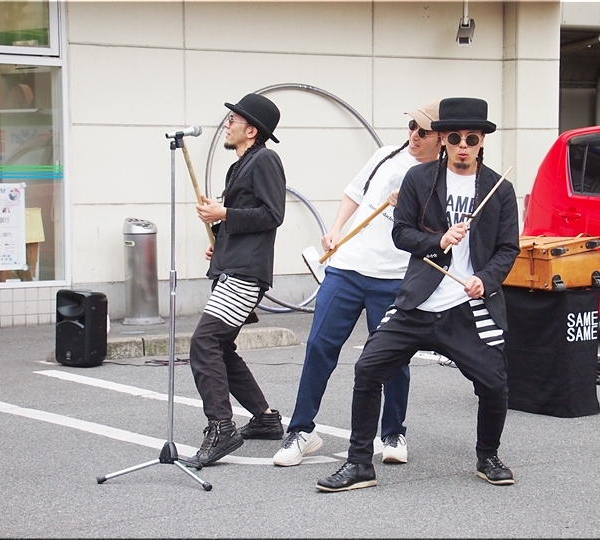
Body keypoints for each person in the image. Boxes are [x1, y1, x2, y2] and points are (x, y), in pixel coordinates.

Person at [316, 97, 520, 491]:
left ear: (482, 141)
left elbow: (508, 248)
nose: (463, 145)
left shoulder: (499, 189)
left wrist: (485, 279)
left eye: (472, 138)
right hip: (418, 301)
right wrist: (437, 240)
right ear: (443, 140)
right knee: (367, 369)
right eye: (455, 137)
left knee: (494, 384)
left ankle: (488, 457)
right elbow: (401, 233)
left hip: (468, 304)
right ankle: (359, 464)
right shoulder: (419, 179)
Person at [271, 99, 443, 467]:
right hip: (347, 267)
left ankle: (393, 432)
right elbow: (354, 192)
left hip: (395, 277)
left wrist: (408, 204)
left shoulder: (442, 177)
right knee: (319, 346)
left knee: (393, 357)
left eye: (424, 131)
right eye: (411, 126)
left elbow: (437, 232)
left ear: (442, 138)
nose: (414, 135)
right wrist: (334, 229)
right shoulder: (385, 155)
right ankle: (301, 430)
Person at [183, 94, 287, 468]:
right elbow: (245, 216)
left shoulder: (265, 160)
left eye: (234, 120)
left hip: (245, 273)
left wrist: (224, 212)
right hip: (233, 266)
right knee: (221, 346)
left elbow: (273, 214)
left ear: (252, 130)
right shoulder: (239, 165)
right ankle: (264, 418)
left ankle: (222, 427)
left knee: (205, 342)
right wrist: (220, 237)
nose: (227, 125)